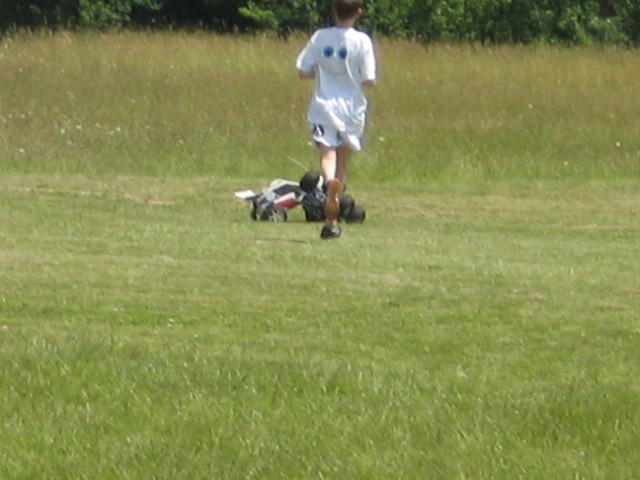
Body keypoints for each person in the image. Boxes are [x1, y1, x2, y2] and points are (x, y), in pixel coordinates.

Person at [295, 0, 377, 239]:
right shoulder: (362, 41)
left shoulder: (320, 37)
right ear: (358, 12)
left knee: (327, 154)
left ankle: (329, 185)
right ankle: (332, 217)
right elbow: (369, 80)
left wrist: (320, 73)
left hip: (323, 105)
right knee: (342, 159)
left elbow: (303, 70)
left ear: (334, 10)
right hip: (351, 109)